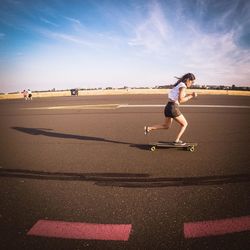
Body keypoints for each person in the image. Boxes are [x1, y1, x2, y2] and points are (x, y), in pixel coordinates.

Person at [144, 73, 197, 145]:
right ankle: (177, 140)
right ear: (188, 80)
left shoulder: (179, 85)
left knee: (166, 126)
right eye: (192, 82)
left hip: (168, 107)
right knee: (184, 124)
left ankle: (149, 128)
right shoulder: (183, 86)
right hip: (173, 108)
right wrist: (191, 96)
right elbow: (180, 100)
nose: (192, 84)